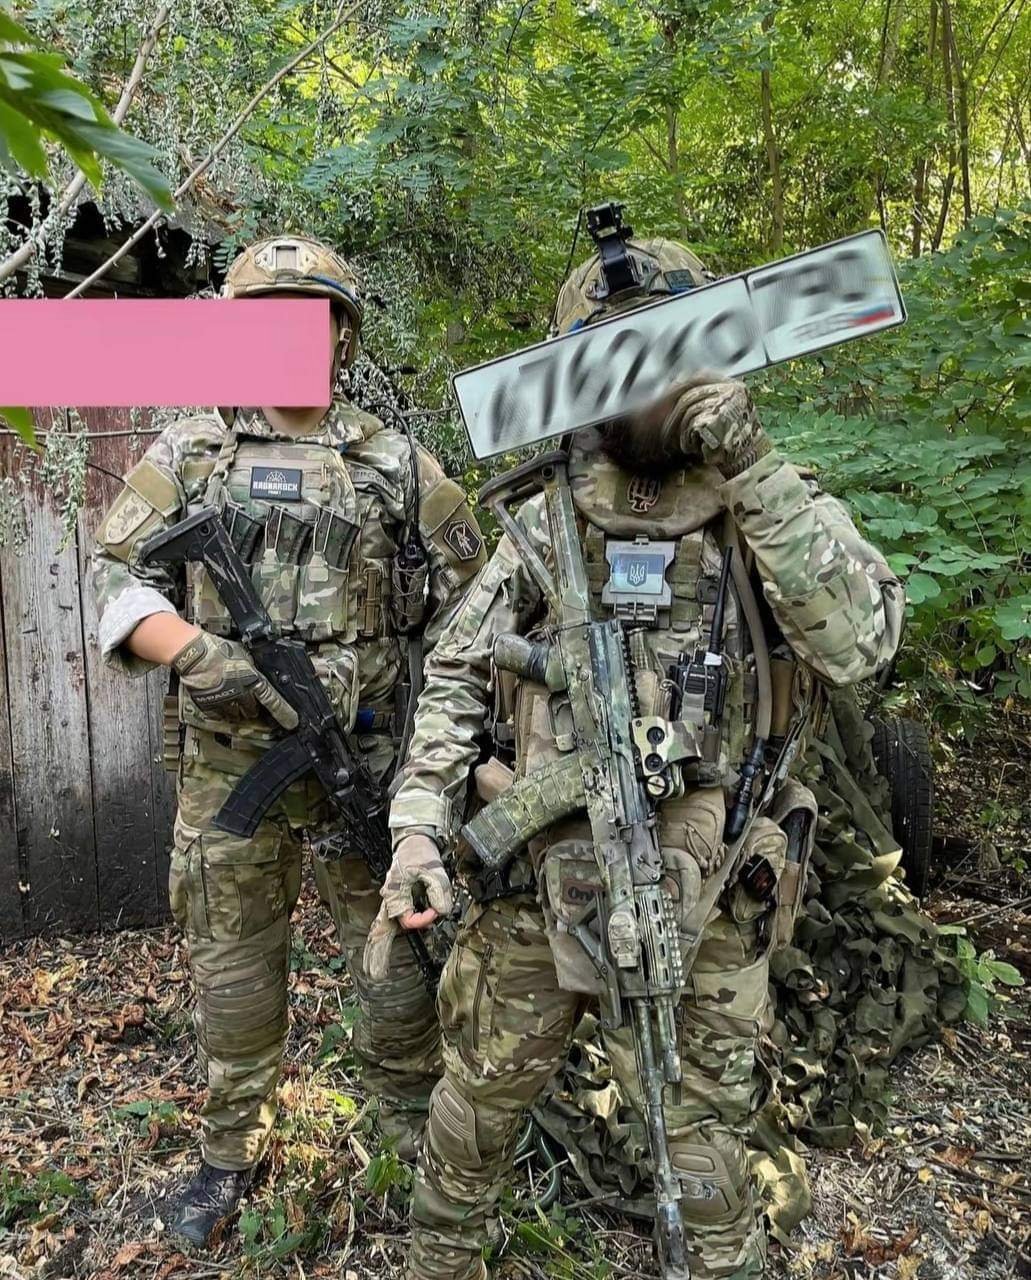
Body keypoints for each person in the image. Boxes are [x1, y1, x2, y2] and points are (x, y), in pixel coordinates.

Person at [367, 229, 905, 1280]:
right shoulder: (542, 523)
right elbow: (453, 679)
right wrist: (418, 829)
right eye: (617, 361)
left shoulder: (768, 509)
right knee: (470, 1119)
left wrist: (750, 466)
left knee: (703, 1157)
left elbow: (857, 647)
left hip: (707, 901)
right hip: (538, 892)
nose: (648, 385)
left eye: (669, 352)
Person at [91, 234, 486, 1248]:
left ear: (341, 334)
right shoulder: (192, 452)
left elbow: (474, 614)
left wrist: (442, 770)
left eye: (310, 319)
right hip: (231, 771)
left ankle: (409, 1140)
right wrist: (191, 650)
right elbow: (112, 578)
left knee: (400, 974)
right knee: (232, 974)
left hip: (368, 766)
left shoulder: (395, 465)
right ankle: (231, 1150)